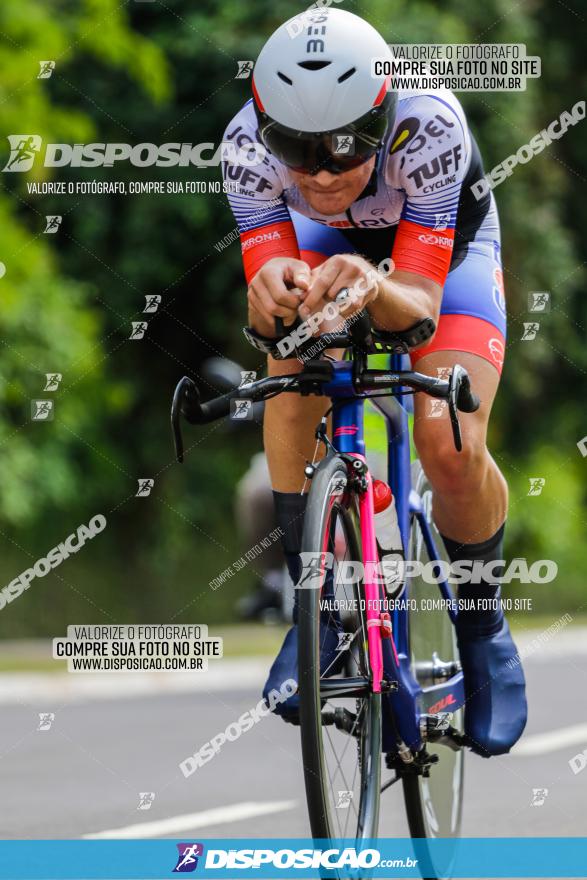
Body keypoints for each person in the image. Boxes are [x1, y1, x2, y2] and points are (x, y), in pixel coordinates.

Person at [221, 8, 527, 756]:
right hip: (328, 257)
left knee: (445, 436)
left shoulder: (429, 126)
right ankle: (314, 617)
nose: (321, 173)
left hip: (444, 264)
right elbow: (267, 311)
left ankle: (481, 624)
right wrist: (270, 299)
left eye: (345, 148)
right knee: (290, 369)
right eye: (296, 150)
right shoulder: (240, 149)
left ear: (382, 118)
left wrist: (369, 278)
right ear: (265, 130)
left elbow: (417, 317)